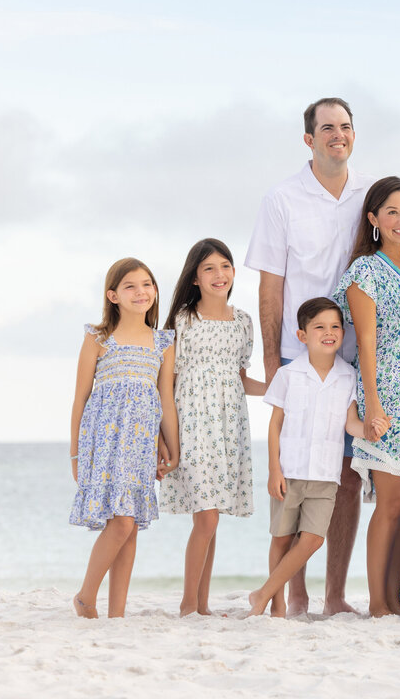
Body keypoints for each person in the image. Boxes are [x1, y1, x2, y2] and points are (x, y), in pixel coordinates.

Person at [245, 97, 373, 615]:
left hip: (354, 358)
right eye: (326, 128)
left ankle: (335, 595)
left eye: (344, 127)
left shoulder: (369, 195)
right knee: (296, 473)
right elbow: (270, 287)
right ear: (309, 139)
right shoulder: (282, 199)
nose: (336, 135)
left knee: (344, 477)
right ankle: (292, 593)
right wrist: (274, 364)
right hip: (298, 356)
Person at [333, 177, 400, 618]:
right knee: (390, 503)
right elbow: (366, 342)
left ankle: (395, 599)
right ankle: (378, 602)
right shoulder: (365, 272)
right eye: (392, 212)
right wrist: (372, 404)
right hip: (388, 396)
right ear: (374, 219)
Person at [159, 238, 266, 616]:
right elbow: (165, 386)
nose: (219, 275)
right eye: (209, 268)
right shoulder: (181, 323)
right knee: (205, 516)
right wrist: (165, 440)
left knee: (213, 516)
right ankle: (189, 604)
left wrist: (278, 389)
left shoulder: (242, 323)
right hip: (192, 427)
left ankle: (201, 605)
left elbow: (239, 380)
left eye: (225, 266)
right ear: (195, 278)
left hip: (229, 427)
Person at [69, 258, 179, 618]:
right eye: (130, 286)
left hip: (142, 442)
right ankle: (86, 597)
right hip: (105, 441)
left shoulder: (162, 341)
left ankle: (117, 612)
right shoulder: (99, 337)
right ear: (113, 295)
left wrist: (170, 446)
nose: (140, 292)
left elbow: (166, 398)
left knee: (129, 525)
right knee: (121, 523)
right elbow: (81, 397)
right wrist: (75, 454)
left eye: (147, 284)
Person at [247, 298, 369, 617]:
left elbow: (351, 423)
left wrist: (369, 430)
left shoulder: (348, 377)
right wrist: (274, 469)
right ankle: (274, 604)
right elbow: (274, 425)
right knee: (282, 538)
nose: (328, 333)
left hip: (326, 476)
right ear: (302, 336)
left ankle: (261, 592)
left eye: (335, 327)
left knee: (313, 540)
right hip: (290, 472)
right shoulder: (288, 375)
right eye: (319, 327)